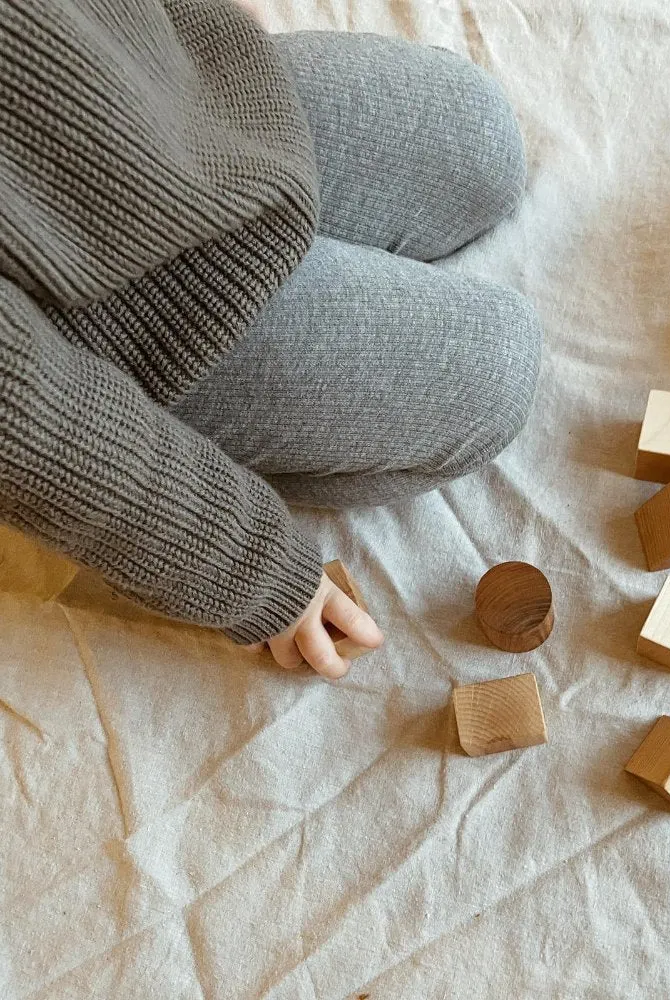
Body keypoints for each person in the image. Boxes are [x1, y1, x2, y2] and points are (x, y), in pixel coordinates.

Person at [0, 1, 541, 680]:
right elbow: (26, 421)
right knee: (497, 368)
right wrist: (240, 562)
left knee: (480, 136)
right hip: (129, 326)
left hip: (158, 87)